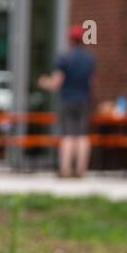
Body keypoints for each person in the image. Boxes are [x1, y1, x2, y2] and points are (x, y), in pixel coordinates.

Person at [38, 23, 96, 178]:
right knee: (82, 136)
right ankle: (81, 170)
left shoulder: (65, 58)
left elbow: (57, 83)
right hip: (84, 100)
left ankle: (65, 170)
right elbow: (91, 82)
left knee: (68, 135)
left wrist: (43, 82)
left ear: (70, 39)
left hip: (68, 100)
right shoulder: (89, 58)